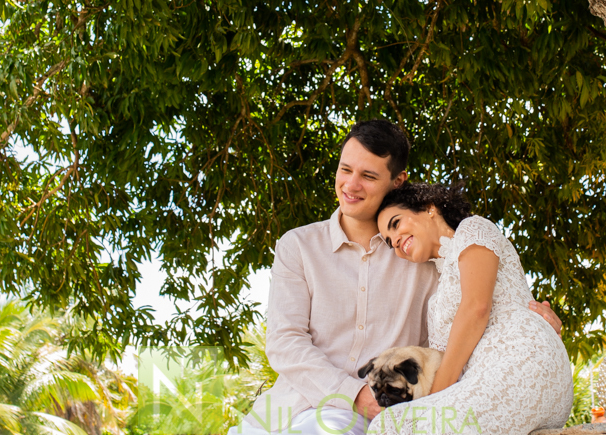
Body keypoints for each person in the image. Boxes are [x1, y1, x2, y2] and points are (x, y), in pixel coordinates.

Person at [236, 120, 562, 435]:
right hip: (287, 410)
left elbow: (473, 316)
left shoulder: (424, 259)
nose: (350, 185)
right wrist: (353, 394)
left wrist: (531, 320)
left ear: (398, 181)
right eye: (345, 169)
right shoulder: (298, 246)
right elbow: (284, 341)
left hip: (379, 414)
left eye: (368, 175)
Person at [369, 183, 573, 435]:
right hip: (483, 378)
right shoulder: (438, 292)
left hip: (523, 363)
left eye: (396, 224)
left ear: (429, 208)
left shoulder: (472, 229)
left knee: (392, 425)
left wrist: (434, 397)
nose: (396, 242)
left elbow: (477, 307)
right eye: (390, 243)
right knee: (391, 423)